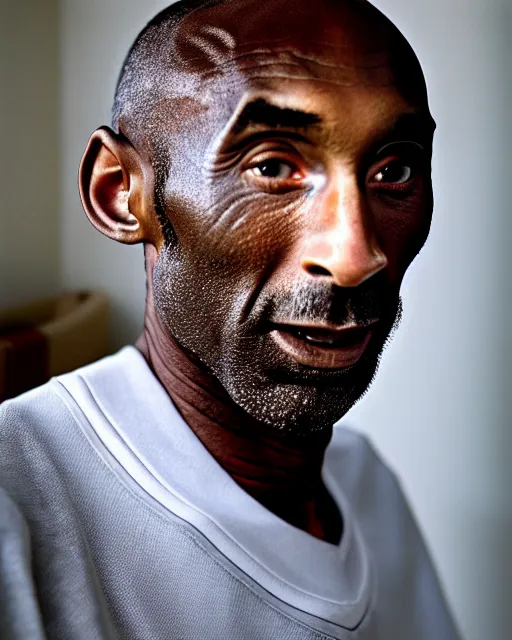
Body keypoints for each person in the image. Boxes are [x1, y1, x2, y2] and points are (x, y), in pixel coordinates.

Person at [0, 0, 462, 638]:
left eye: (394, 171)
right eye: (272, 168)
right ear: (119, 194)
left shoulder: (364, 481)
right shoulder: (14, 505)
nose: (356, 256)